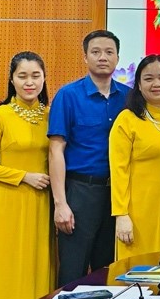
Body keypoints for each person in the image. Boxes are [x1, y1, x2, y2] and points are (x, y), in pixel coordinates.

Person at [0, 52, 55, 299]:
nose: (29, 82)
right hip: (9, 200)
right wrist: (23, 176)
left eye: (35, 76)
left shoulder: (51, 115)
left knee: (38, 264)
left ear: (44, 78)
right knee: (8, 266)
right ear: (11, 79)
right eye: (22, 76)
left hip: (42, 202)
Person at [49, 30, 129, 284]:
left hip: (116, 195)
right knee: (73, 270)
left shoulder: (129, 97)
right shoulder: (68, 95)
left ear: (117, 58)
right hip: (80, 191)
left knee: (109, 270)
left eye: (109, 52)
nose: (102, 57)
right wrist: (60, 204)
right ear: (85, 57)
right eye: (95, 52)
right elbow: (55, 150)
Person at [110, 55, 160, 260]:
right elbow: (118, 170)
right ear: (139, 85)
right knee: (139, 270)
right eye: (149, 79)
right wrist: (121, 215)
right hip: (138, 213)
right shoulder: (127, 119)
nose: (156, 84)